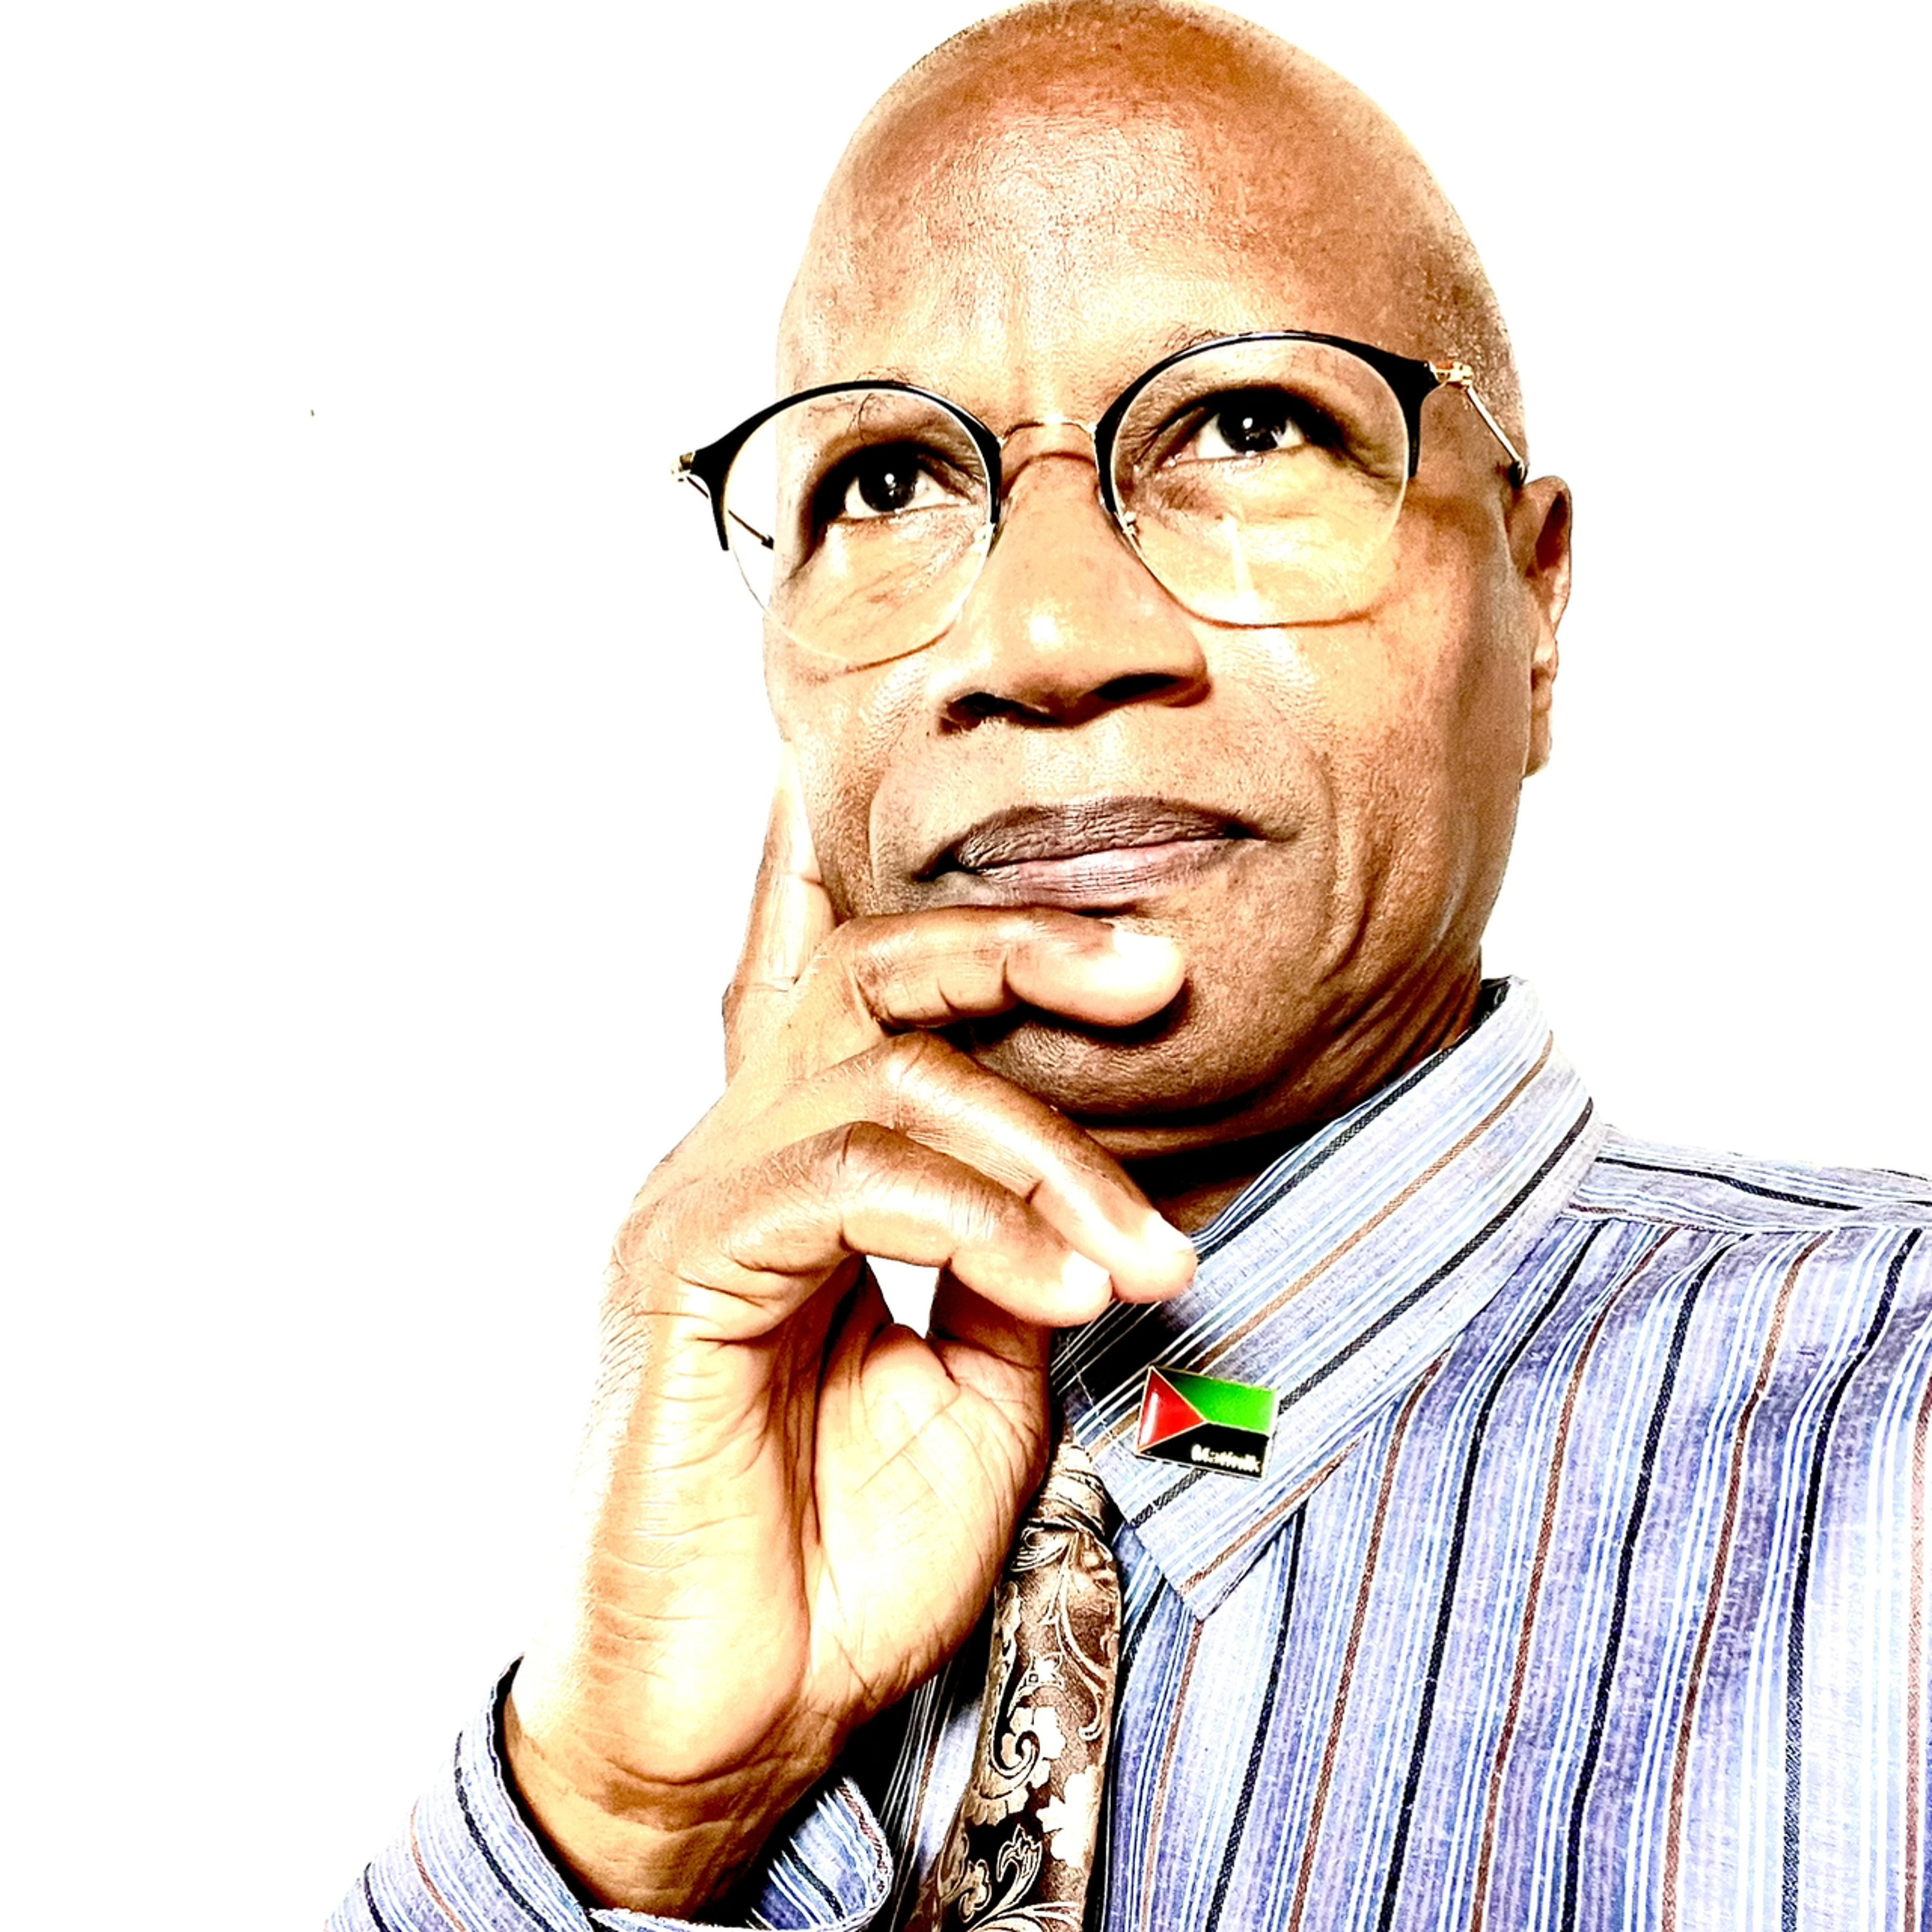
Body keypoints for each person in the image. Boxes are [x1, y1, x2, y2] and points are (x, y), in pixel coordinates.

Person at [334, 3, 1932, 1926]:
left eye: (1248, 428)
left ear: (1537, 606)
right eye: (886, 483)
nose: (1045, 635)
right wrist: (622, 1817)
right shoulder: (708, 1537)